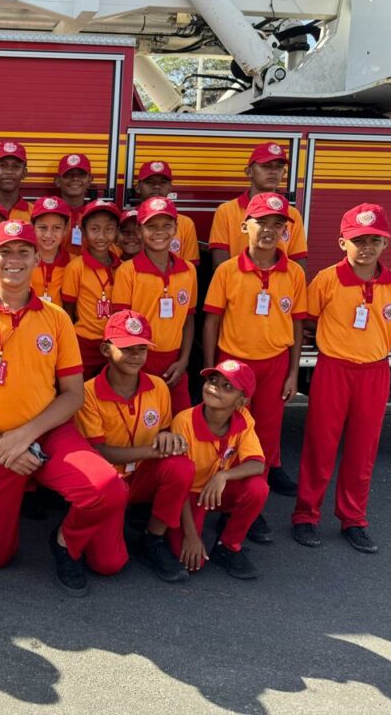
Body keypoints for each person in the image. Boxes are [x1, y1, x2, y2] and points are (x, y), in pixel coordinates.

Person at [0, 220, 128, 597]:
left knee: (109, 489)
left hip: (47, 435)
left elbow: (73, 393)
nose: (14, 260)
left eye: (23, 251)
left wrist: (23, 438)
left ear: (38, 258)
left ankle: (65, 541)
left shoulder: (56, 318)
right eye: (5, 252)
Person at [292, 204, 391, 554]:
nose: (366, 247)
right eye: (358, 240)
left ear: (385, 243)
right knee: (320, 445)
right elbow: (308, 320)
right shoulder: (328, 279)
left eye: (374, 240)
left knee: (363, 451)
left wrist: (375, 332)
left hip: (374, 372)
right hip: (334, 369)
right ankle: (305, 515)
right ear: (342, 242)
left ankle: (353, 519)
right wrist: (337, 333)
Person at [203, 193, 306, 533]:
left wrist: (293, 372)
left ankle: (251, 506)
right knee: (226, 434)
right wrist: (210, 368)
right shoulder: (228, 271)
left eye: (278, 225)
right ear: (245, 225)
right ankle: (218, 501)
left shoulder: (293, 273)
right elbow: (212, 322)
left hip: (275, 364)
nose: (269, 230)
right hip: (232, 362)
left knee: (264, 436)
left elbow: (296, 324)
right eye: (262, 222)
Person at [74, 311, 192, 582]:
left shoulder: (159, 387)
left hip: (141, 477)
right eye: (126, 348)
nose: (135, 356)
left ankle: (153, 538)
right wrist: (155, 450)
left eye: (141, 349)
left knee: (181, 467)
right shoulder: (89, 392)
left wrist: (167, 441)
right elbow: (101, 452)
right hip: (108, 484)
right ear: (106, 349)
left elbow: (163, 433)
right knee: (107, 564)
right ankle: (75, 531)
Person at [167, 361, 269, 580]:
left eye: (227, 386)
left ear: (241, 402)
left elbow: (257, 463)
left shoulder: (244, 419)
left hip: (216, 490)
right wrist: (191, 536)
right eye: (212, 380)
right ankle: (185, 531)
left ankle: (229, 545)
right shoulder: (184, 421)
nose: (215, 387)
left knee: (258, 487)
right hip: (187, 495)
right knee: (191, 562)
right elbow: (177, 483)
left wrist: (223, 475)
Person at [112, 197, 197, 413]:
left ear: (176, 228)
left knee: (180, 422)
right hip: (139, 360)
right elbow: (121, 324)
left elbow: (188, 320)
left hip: (175, 362)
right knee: (145, 421)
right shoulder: (128, 271)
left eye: (166, 225)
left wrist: (184, 360)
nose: (159, 232)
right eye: (151, 226)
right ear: (140, 231)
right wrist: (132, 363)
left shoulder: (188, 270)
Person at [209, 142, 308, 269]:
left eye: (278, 167)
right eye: (266, 166)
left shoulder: (292, 214)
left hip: (280, 286)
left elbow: (298, 263)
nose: (273, 171)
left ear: (283, 173)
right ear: (249, 172)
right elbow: (219, 264)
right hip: (237, 285)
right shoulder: (226, 211)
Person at [62, 200, 122, 378]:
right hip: (84, 342)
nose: (102, 236)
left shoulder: (123, 268)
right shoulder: (75, 268)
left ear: (116, 232)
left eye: (109, 229)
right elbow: (69, 310)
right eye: (94, 229)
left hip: (115, 343)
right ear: (83, 232)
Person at [133, 160, 200, 265]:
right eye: (150, 182)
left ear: (170, 187)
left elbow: (190, 267)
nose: (156, 186)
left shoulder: (186, 224)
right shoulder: (128, 221)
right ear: (137, 188)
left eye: (163, 182)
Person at [29, 196, 74, 306]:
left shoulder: (73, 263)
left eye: (56, 228)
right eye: (42, 227)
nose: (48, 235)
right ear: (32, 226)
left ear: (66, 229)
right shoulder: (24, 262)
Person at [54, 153, 94, 254]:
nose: (75, 178)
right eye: (68, 174)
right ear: (57, 181)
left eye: (81, 174)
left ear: (90, 180)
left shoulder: (95, 214)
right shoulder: (49, 214)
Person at [0, 141, 30, 221]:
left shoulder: (35, 213)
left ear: (24, 173)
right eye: (3, 165)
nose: (9, 171)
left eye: (16, 166)